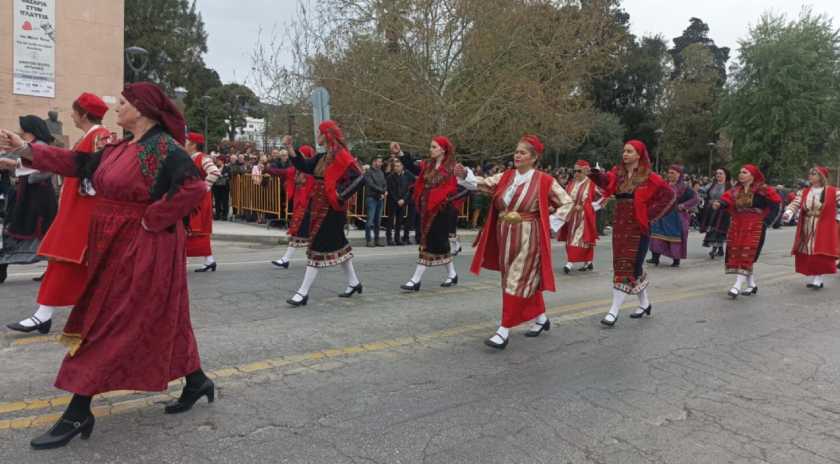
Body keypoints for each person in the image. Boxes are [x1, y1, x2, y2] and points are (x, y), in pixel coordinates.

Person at [0, 82, 213, 450]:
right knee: (163, 317)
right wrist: (25, 149)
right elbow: (79, 164)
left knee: (108, 322)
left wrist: (152, 219)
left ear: (143, 111)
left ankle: (78, 410)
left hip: (145, 245)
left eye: (125, 103)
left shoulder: (164, 149)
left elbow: (194, 187)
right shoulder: (120, 146)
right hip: (113, 244)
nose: (118, 108)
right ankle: (196, 381)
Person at [5, 94, 111, 334]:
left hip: (85, 211)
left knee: (66, 259)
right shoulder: (92, 136)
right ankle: (47, 314)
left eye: (74, 111)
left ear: (83, 114)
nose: (71, 115)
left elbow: (96, 171)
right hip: (77, 208)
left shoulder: (99, 136)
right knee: (67, 262)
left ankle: (46, 315)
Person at [458, 135, 573, 349]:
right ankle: (540, 318)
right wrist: (466, 174)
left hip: (529, 236)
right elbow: (483, 183)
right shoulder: (507, 176)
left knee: (516, 280)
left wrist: (550, 225)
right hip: (504, 234)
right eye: (516, 151)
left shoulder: (544, 180)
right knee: (512, 279)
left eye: (522, 152)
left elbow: (567, 203)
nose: (517, 155)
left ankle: (504, 330)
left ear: (534, 157)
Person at [588, 140, 676, 326]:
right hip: (620, 225)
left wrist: (648, 214)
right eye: (624, 151)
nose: (625, 154)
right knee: (626, 266)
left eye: (629, 151)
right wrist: (594, 174)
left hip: (638, 227)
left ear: (638, 155)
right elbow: (606, 182)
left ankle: (614, 310)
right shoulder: (617, 173)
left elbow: (669, 195)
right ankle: (644, 303)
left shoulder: (649, 176)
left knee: (629, 266)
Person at [284, 121, 365, 306]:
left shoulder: (341, 155)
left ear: (326, 135)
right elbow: (304, 166)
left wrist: (340, 195)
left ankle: (302, 292)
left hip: (331, 209)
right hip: (318, 205)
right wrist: (290, 148)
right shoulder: (322, 156)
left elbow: (359, 177)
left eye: (319, 134)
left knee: (316, 248)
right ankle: (354, 282)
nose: (317, 137)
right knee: (339, 244)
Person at [0, 116, 58, 284]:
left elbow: (44, 170)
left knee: (40, 232)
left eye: (23, 129)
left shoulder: (41, 146)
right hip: (27, 196)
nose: (21, 131)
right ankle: (4, 267)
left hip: (38, 199)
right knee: (19, 229)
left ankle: (51, 269)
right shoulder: (30, 146)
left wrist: (12, 165)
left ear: (30, 129)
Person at [400, 136, 460, 292]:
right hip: (426, 208)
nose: (431, 150)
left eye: (434, 147)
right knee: (440, 245)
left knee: (427, 242)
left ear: (443, 149)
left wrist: (444, 198)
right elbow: (412, 167)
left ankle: (415, 280)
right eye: (431, 147)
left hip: (441, 211)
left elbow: (458, 189)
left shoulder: (452, 168)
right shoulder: (428, 165)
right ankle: (452, 274)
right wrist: (400, 153)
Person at [712, 164, 781, 298]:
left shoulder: (763, 190)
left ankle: (736, 286)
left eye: (744, 172)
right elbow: (727, 200)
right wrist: (719, 204)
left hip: (755, 226)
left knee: (747, 253)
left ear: (752, 175)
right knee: (739, 254)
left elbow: (776, 204)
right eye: (740, 172)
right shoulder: (736, 190)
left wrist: (766, 222)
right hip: (738, 225)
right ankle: (751, 285)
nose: (741, 174)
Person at [782, 166, 839, 289]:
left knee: (819, 252)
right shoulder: (805, 191)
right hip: (806, 225)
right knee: (809, 251)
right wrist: (788, 213)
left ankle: (818, 278)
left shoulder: (833, 191)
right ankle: (815, 276)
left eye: (814, 173)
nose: (810, 175)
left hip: (823, 225)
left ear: (821, 176)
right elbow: (796, 203)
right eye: (810, 173)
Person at [271, 145, 316, 269]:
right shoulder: (298, 169)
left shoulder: (311, 170)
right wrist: (266, 168)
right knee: (301, 233)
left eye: (301, 154)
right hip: (302, 205)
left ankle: (288, 259)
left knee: (304, 233)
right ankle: (286, 259)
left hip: (308, 206)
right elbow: (283, 172)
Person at [648, 165, 699, 268]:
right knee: (656, 235)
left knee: (675, 237)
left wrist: (683, 206)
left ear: (679, 175)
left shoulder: (685, 188)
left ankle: (676, 260)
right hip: (662, 215)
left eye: (673, 173)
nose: (670, 175)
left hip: (676, 217)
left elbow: (695, 199)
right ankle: (655, 258)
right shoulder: (663, 185)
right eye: (669, 172)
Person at [558, 160, 603, 273]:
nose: (576, 173)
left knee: (578, 239)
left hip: (584, 217)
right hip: (572, 216)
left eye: (579, 171)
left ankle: (570, 263)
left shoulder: (591, 184)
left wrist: (588, 207)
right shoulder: (571, 184)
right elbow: (565, 199)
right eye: (574, 171)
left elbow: (604, 196)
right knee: (575, 240)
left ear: (585, 171)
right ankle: (588, 262)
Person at [185, 132, 221, 272]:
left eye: (187, 142)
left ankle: (183, 259)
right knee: (194, 229)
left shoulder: (202, 158)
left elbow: (214, 172)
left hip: (199, 199)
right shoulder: (192, 158)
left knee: (194, 229)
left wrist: (204, 188)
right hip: (193, 199)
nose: (184, 144)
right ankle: (209, 260)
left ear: (193, 145)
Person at [699, 168, 731, 259]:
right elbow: (701, 191)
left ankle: (714, 249)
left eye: (721, 173)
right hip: (711, 211)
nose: (718, 175)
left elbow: (732, 198)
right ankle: (720, 250)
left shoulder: (729, 186)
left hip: (723, 212)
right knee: (712, 229)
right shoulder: (712, 185)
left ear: (725, 175)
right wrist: (705, 199)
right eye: (717, 173)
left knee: (719, 230)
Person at [385, 158, 415, 245]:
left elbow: (408, 190)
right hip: (393, 201)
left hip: (402, 202)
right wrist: (397, 200)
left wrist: (404, 199)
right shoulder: (390, 177)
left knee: (399, 221)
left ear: (402, 167)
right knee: (390, 221)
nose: (396, 168)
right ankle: (389, 239)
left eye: (398, 166)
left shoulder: (406, 177)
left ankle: (397, 239)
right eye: (395, 166)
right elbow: (391, 190)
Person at [364, 157, 387, 246]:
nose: (381, 163)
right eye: (379, 161)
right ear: (374, 162)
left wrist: (384, 190)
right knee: (370, 221)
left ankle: (377, 240)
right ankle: (369, 240)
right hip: (371, 198)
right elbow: (371, 184)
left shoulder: (381, 172)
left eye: (381, 162)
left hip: (379, 199)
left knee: (378, 221)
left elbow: (385, 183)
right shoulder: (368, 172)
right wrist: (382, 191)